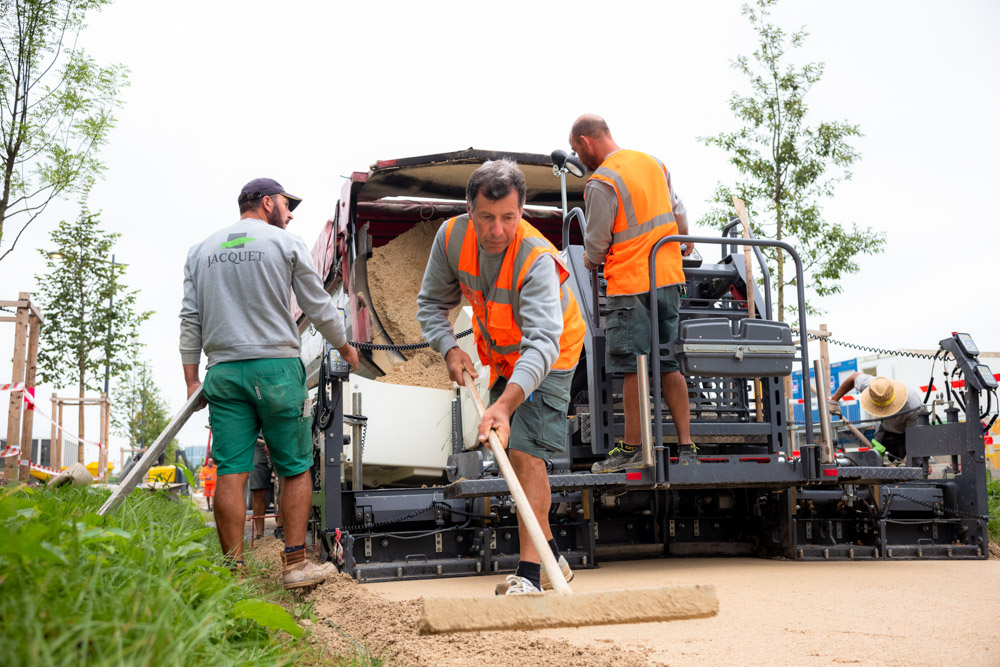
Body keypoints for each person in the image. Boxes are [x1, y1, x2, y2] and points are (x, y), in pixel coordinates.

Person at [179, 177, 360, 589]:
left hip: (222, 372)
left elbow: (190, 318)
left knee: (232, 469)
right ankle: (295, 566)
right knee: (295, 467)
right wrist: (347, 350)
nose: (290, 213)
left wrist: (192, 380)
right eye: (285, 204)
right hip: (275, 368)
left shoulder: (200, 251)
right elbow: (318, 305)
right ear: (266, 203)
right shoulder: (285, 243)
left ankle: (232, 574)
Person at [416, 159, 586, 596]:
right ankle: (552, 559)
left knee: (526, 455)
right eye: (487, 218)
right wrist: (450, 348)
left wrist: (505, 405)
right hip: (505, 355)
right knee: (510, 455)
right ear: (469, 210)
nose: (497, 230)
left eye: (508, 218)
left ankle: (529, 576)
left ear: (522, 210)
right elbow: (431, 304)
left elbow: (543, 342)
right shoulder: (451, 238)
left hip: (551, 352)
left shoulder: (536, 258)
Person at [568, 114, 694, 472]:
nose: (579, 159)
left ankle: (634, 448)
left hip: (631, 282)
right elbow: (679, 212)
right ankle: (687, 448)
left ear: (586, 141)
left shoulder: (602, 180)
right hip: (668, 276)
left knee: (632, 365)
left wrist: (591, 263)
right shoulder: (654, 164)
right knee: (668, 363)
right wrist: (682, 246)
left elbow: (596, 242)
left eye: (578, 151)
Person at [829, 373, 923, 463]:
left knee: (915, 465)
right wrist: (834, 400)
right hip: (886, 429)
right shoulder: (874, 388)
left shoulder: (912, 406)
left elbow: (915, 439)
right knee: (876, 460)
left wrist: (907, 461)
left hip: (908, 434)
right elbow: (854, 377)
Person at [250, 437, 283, 541]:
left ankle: (281, 528)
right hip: (258, 440)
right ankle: (260, 534)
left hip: (282, 437)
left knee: (286, 487)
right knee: (258, 489)